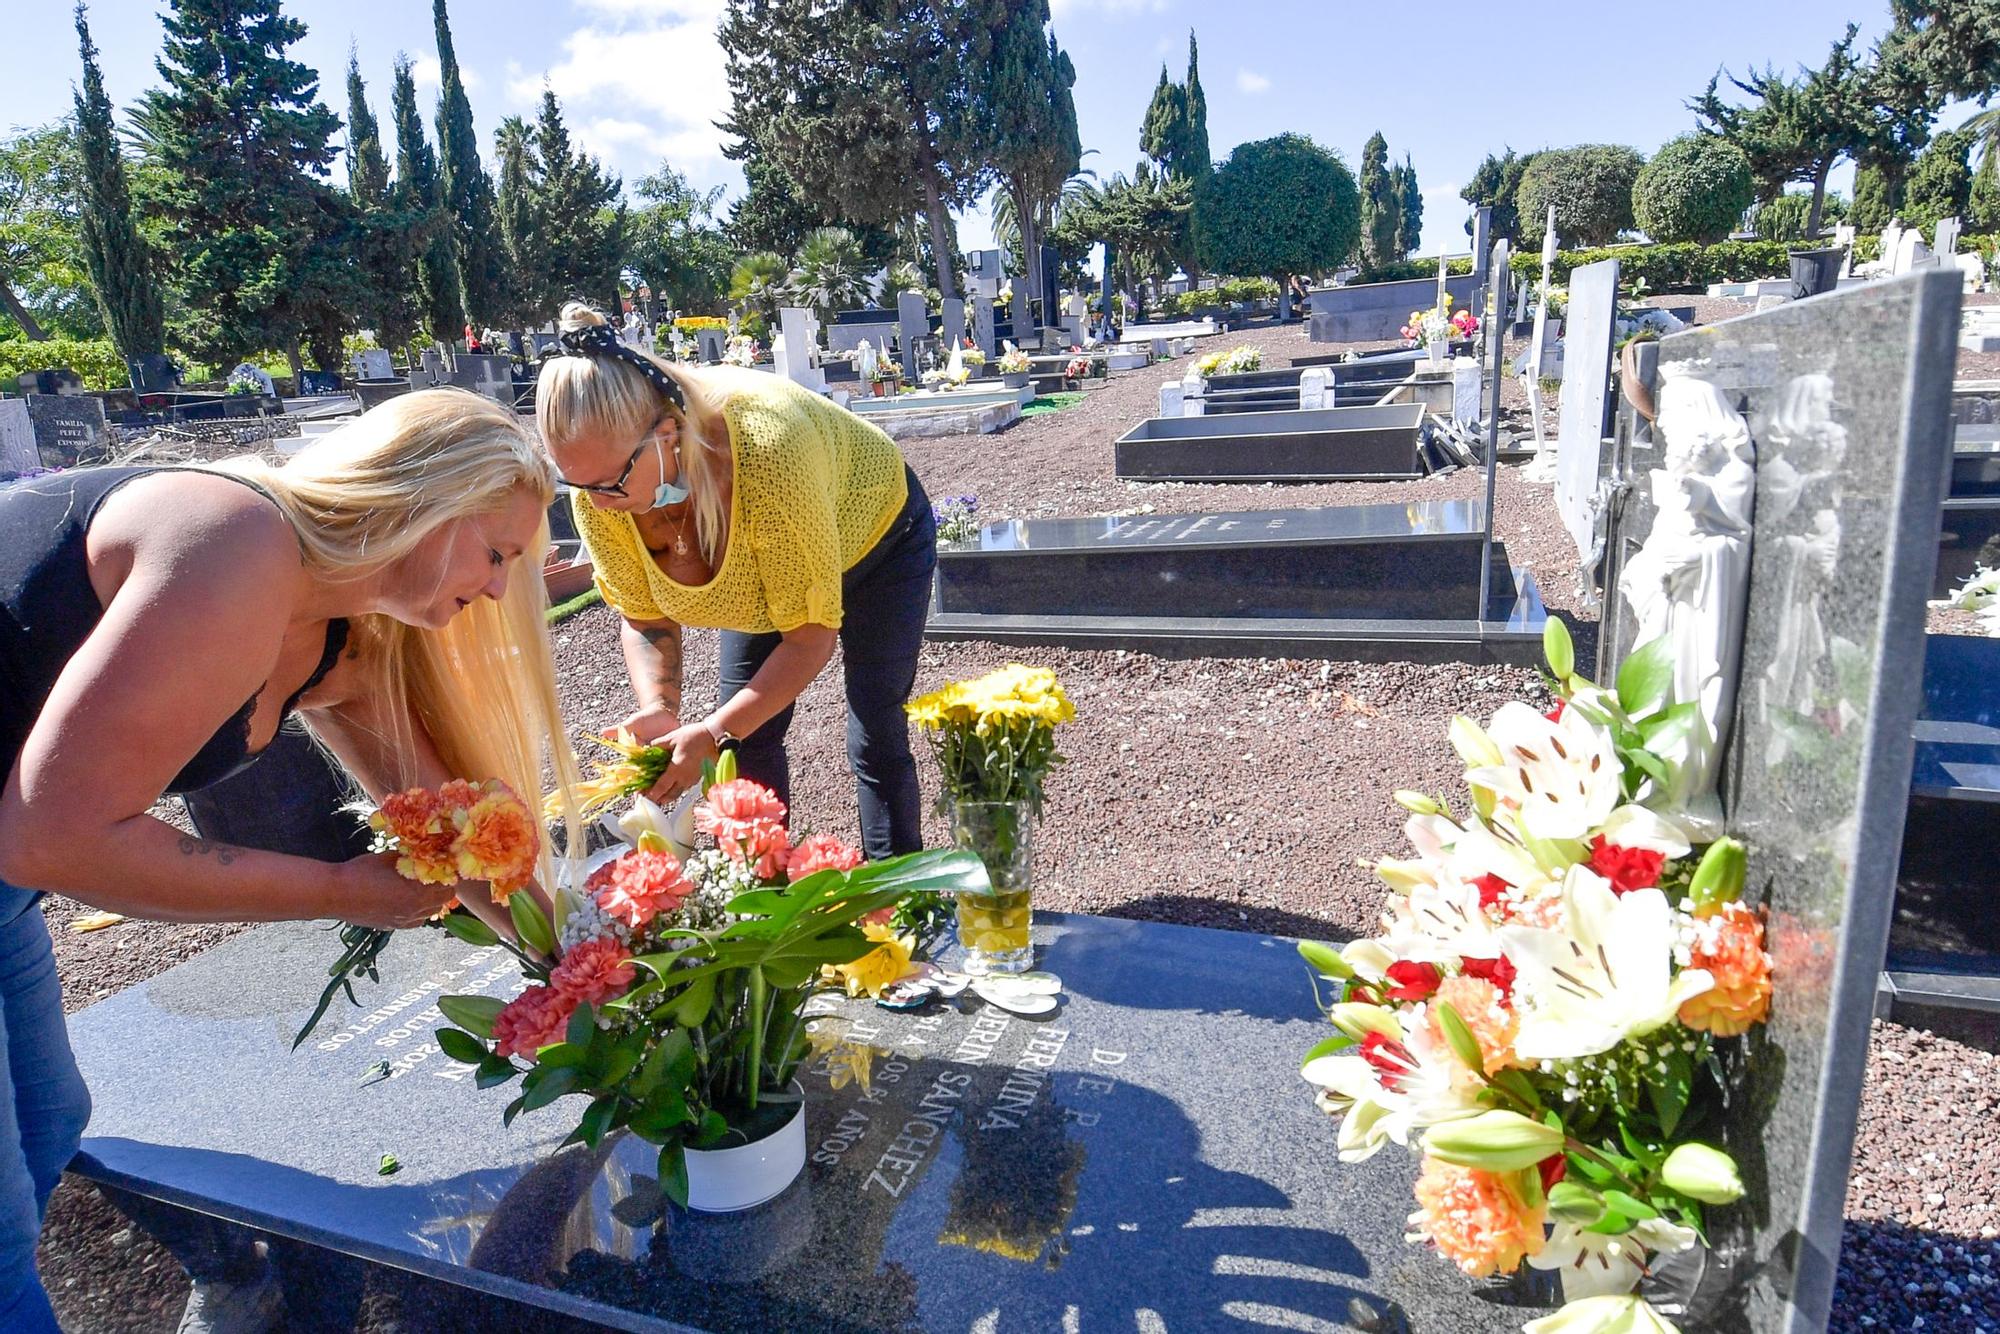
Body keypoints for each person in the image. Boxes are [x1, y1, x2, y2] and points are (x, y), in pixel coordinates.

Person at [0, 389, 586, 1333]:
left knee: (43, 1128)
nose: (496, 588)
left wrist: (580, 960)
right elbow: (53, 840)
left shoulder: (346, 624)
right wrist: (341, 891)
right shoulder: (235, 545)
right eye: (498, 552)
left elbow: (452, 832)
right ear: (424, 503)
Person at [536, 302, 936, 859]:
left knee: (875, 723)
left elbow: (808, 637)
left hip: (878, 538)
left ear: (667, 436)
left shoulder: (769, 453)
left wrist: (715, 728)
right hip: (767, 570)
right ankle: (762, 904)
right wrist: (660, 704)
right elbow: (645, 618)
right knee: (743, 742)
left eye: (611, 483)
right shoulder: (599, 494)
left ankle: (898, 896)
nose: (599, 506)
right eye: (579, 487)